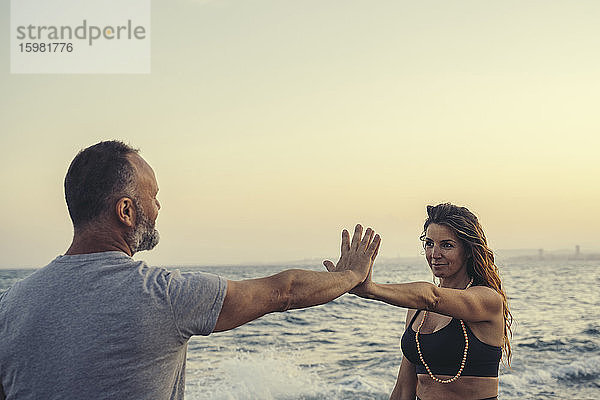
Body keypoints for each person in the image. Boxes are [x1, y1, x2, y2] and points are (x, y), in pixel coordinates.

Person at [0, 140, 380, 400]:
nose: (159, 208)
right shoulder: (163, 295)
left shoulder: (10, 303)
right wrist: (349, 277)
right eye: (154, 196)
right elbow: (284, 291)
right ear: (126, 211)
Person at [324, 203, 512, 400]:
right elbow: (404, 388)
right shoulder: (417, 311)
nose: (434, 254)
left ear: (467, 251)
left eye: (447, 245)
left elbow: (432, 297)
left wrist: (370, 289)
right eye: (429, 243)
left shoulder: (487, 299)